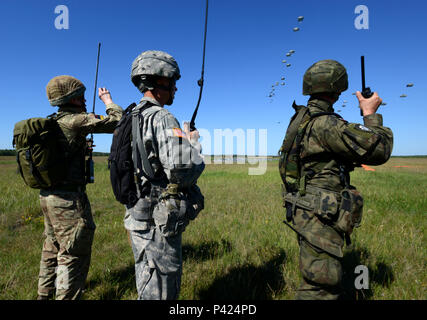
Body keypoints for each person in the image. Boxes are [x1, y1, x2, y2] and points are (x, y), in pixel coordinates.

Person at [278, 60, 393, 300]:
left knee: (316, 277)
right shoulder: (325, 123)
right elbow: (379, 149)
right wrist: (370, 114)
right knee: (321, 287)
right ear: (337, 88)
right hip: (320, 213)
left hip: (307, 208)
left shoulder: (302, 117)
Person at [124, 50, 205, 300]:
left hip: (137, 214)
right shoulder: (162, 117)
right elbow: (183, 170)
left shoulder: (132, 115)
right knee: (161, 291)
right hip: (156, 221)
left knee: (145, 278)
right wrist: (193, 143)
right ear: (159, 81)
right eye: (173, 82)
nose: (175, 89)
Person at [38, 75, 123, 300]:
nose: (85, 100)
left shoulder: (55, 121)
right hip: (67, 202)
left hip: (48, 197)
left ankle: (44, 295)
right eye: (81, 96)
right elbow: (117, 120)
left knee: (51, 250)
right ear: (72, 98)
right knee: (72, 256)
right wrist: (108, 101)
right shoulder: (76, 120)